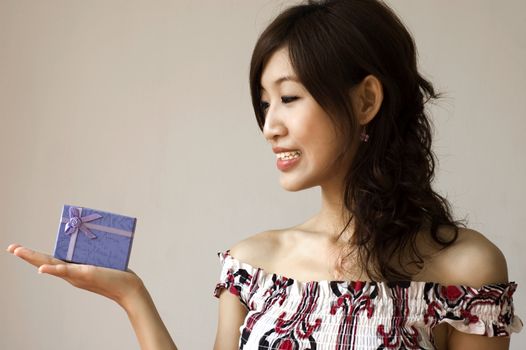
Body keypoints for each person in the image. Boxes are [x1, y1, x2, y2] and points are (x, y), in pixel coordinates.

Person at [6, 0, 523, 349]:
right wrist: (132, 296)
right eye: (263, 103)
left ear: (366, 99)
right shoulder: (251, 266)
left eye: (290, 97)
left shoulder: (466, 273)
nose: (269, 126)